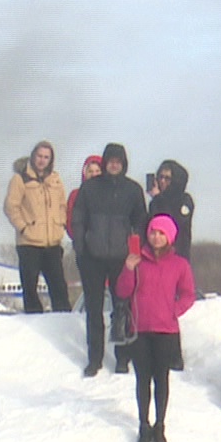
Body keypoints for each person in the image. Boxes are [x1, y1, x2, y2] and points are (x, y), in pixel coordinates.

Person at [116, 215, 194, 442]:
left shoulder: (180, 264)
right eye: (152, 232)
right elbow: (122, 291)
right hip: (140, 330)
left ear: (169, 237)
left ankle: (160, 426)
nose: (156, 237)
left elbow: (188, 294)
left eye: (161, 233)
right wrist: (128, 269)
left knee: (162, 379)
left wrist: (174, 311)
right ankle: (143, 426)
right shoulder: (136, 260)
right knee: (142, 380)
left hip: (166, 331)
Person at [71, 143, 147, 376]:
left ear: (123, 163)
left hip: (121, 259)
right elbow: (78, 219)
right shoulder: (90, 188)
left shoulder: (133, 190)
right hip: (92, 258)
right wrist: (81, 248)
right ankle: (95, 359)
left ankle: (123, 357)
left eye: (118, 160)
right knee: (93, 310)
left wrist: (135, 250)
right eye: (110, 160)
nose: (114, 164)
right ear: (104, 162)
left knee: (122, 308)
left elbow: (141, 221)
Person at [3, 141, 71, 314]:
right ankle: (33, 321)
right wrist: (23, 227)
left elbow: (62, 205)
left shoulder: (55, 179)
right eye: (39, 156)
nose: (42, 160)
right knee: (30, 287)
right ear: (33, 156)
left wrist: (61, 223)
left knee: (59, 287)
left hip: (52, 242)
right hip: (29, 242)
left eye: (46, 157)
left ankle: (63, 320)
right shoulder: (20, 179)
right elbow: (11, 207)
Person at [147, 160, 194, 259]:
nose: (163, 181)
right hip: (157, 254)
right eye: (161, 177)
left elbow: (175, 221)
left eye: (167, 178)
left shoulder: (185, 199)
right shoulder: (155, 202)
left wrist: (159, 198)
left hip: (178, 253)